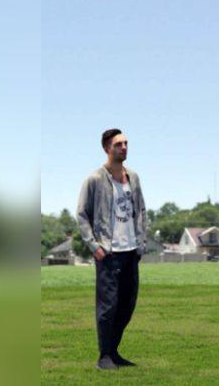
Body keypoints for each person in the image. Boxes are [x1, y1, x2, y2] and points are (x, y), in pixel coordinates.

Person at [76, 128, 148, 370]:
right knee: (108, 307)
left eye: (126, 143)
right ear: (107, 148)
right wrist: (94, 246)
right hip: (108, 252)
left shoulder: (134, 178)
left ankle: (114, 352)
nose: (124, 147)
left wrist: (141, 244)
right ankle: (104, 356)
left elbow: (142, 211)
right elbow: (82, 215)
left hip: (131, 251)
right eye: (119, 144)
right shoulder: (95, 179)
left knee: (127, 305)